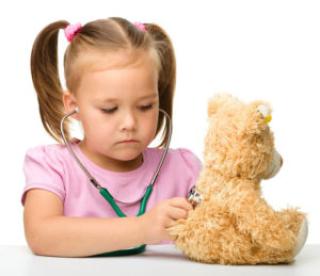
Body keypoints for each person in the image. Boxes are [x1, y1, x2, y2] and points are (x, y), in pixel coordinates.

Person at [21, 17, 202, 257]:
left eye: (146, 106)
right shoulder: (52, 166)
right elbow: (41, 235)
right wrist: (141, 228)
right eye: (109, 109)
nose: (129, 123)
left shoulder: (183, 169)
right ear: (73, 105)